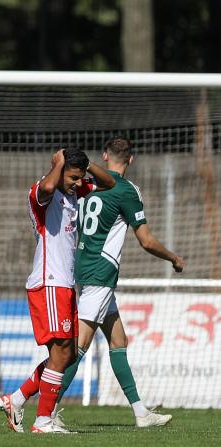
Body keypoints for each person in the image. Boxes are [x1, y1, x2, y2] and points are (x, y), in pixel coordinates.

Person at [52, 137, 184, 428]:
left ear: (104, 155)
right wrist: (174, 257)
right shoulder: (127, 190)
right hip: (101, 272)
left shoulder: (87, 186)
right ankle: (48, 411)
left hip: (84, 267)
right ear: (131, 160)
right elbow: (146, 241)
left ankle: (141, 413)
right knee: (79, 346)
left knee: (118, 340)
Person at [0, 148, 115, 433]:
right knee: (61, 354)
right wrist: (60, 162)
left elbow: (109, 183)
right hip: (49, 282)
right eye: (72, 177)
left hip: (64, 283)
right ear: (60, 170)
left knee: (67, 355)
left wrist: (86, 165)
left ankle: (16, 399)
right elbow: (49, 186)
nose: (78, 183)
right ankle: (43, 421)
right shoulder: (41, 192)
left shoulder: (75, 191)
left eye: (80, 178)